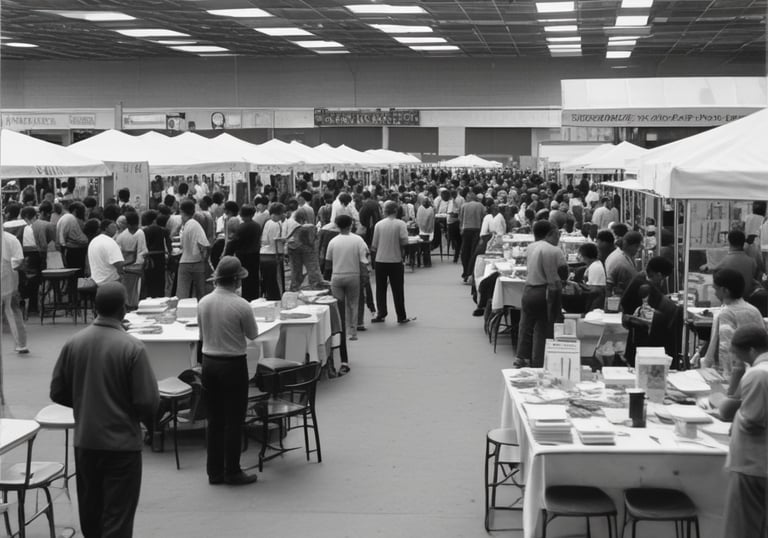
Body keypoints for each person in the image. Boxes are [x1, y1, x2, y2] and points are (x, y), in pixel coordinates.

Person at [50, 282, 159, 537]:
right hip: (122, 446)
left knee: (91, 514)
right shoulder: (132, 348)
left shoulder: (74, 343)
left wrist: (87, 402)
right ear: (123, 310)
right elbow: (148, 402)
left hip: (86, 442)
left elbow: (57, 391)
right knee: (117, 518)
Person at [197, 256, 259, 486]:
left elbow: (202, 334)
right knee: (234, 419)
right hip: (232, 363)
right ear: (235, 280)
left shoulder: (203, 302)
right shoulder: (241, 305)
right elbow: (252, 334)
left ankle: (214, 471)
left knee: (214, 419)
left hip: (209, 362)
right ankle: (232, 470)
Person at [719, 324, 768, 537]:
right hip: (758, 464)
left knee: (741, 529)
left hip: (752, 464)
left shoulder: (758, 374)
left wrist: (734, 413)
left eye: (735, 350)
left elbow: (753, 421)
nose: (732, 354)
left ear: (750, 350)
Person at [515, 220, 567, 368]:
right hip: (545, 292)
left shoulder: (531, 247)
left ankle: (521, 357)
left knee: (525, 325)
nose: (558, 238)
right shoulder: (554, 250)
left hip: (529, 290)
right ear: (550, 234)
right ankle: (538, 362)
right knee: (543, 328)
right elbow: (563, 271)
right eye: (557, 234)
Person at [697, 269, 765, 377]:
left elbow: (725, 349)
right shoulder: (753, 310)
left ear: (725, 290)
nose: (714, 293)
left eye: (716, 289)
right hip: (758, 367)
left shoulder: (726, 313)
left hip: (735, 372)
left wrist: (727, 376)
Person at [620, 256, 678, 365]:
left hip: (636, 327)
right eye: (663, 278)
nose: (662, 281)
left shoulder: (640, 277)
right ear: (659, 275)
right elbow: (666, 308)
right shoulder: (645, 284)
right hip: (640, 331)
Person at [326, 214, 370, 349]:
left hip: (337, 276)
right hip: (353, 275)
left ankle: (340, 332)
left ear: (337, 226)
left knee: (338, 305)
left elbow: (328, 261)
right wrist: (365, 275)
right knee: (353, 303)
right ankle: (353, 332)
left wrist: (327, 278)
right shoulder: (358, 240)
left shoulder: (333, 241)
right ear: (351, 225)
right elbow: (364, 260)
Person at [371, 201, 413, 324]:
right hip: (395, 260)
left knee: (380, 289)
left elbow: (374, 245)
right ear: (395, 211)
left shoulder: (378, 225)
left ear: (385, 211)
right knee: (398, 289)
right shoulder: (401, 224)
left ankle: (381, 313)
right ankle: (401, 316)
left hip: (380, 260)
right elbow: (404, 242)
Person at [702, 229, 762, 300]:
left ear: (729, 242)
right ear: (743, 242)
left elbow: (715, 274)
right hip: (747, 299)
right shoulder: (752, 262)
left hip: (730, 300)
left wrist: (707, 269)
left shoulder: (725, 262)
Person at [225, 204, 262, 301]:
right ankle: (255, 297)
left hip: (243, 256)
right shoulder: (257, 226)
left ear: (241, 214)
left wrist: (226, 255)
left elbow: (234, 243)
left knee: (244, 279)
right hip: (255, 255)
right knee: (254, 278)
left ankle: (246, 298)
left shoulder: (242, 227)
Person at [177, 199, 210, 300]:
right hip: (197, 263)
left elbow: (204, 246)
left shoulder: (190, 225)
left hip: (185, 263)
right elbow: (204, 245)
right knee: (200, 294)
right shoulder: (193, 225)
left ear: (182, 212)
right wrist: (204, 260)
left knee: (182, 295)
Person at [2, 229, 28, 353]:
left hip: (8, 273)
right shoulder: (11, 239)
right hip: (9, 276)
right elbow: (19, 260)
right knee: (13, 309)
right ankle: (21, 344)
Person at [87, 219, 124, 287]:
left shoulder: (93, 241)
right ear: (106, 228)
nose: (116, 230)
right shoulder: (110, 242)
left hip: (95, 281)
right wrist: (121, 273)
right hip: (110, 282)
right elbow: (119, 263)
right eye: (113, 227)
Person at [605, 230, 642, 297]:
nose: (637, 250)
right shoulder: (619, 259)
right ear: (628, 245)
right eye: (636, 246)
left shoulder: (625, 255)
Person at [458, 192, 485, 283]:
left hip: (466, 230)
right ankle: (471, 273)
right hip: (477, 230)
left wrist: (461, 229)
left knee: (465, 252)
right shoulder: (480, 205)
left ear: (468, 198)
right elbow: (483, 217)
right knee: (474, 252)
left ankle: (465, 273)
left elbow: (460, 219)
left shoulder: (464, 206)